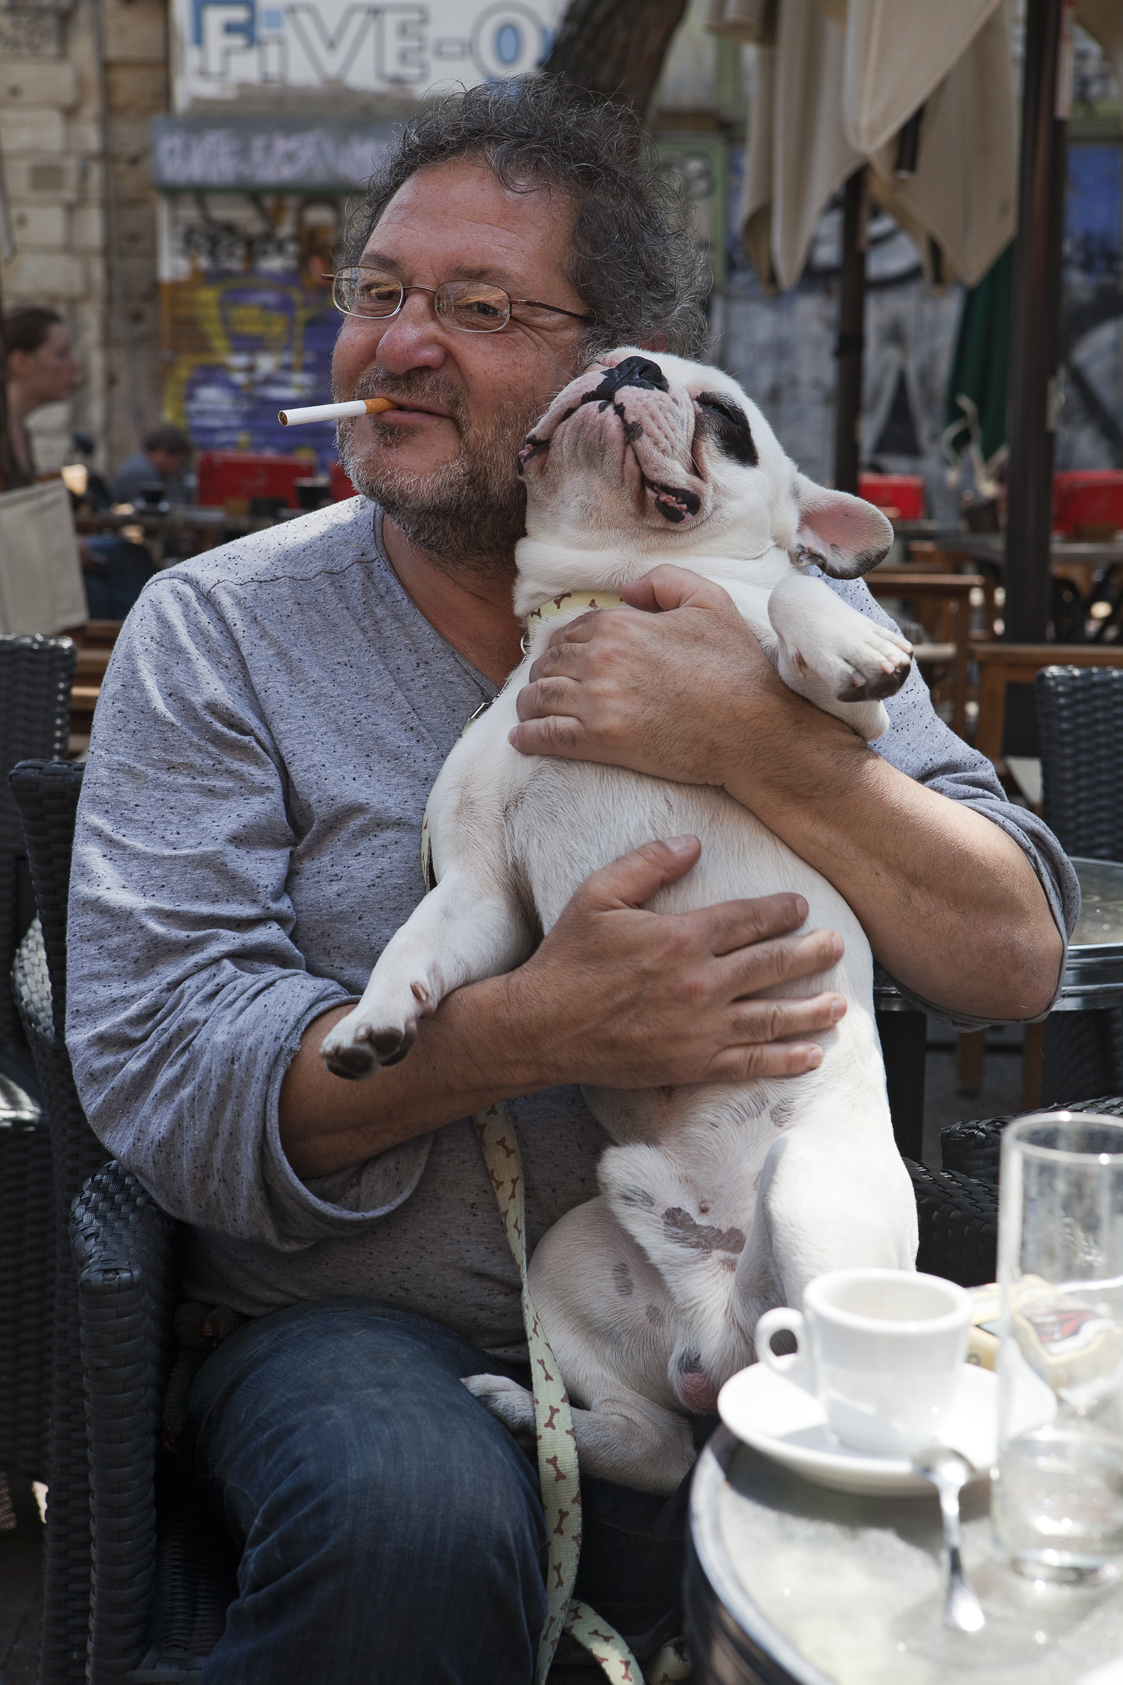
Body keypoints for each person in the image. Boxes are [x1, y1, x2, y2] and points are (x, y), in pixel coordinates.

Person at [66, 78, 1075, 1684]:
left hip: (774, 1268)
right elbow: (160, 1067)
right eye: (378, 293)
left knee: (1017, 1509)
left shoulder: (773, 600)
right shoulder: (219, 632)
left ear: (617, 366)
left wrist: (769, 744)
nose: (395, 347)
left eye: (475, 306)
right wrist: (529, 1029)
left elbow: (1011, 950)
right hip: (362, 1325)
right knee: (408, 1520)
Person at [4, 306, 153, 618]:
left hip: (28, 560)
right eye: (61, 355)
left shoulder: (21, 432)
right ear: (21, 362)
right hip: (16, 571)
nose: (75, 367)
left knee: (131, 558)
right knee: (108, 581)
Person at [110, 421, 193, 507]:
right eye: (180, 462)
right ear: (163, 451)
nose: (178, 468)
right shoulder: (141, 472)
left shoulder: (144, 466)